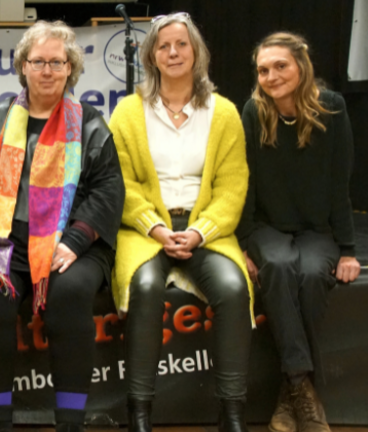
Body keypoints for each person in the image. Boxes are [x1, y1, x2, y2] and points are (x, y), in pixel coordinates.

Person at [0, 20, 125, 432]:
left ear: (70, 67)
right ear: (23, 66)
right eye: (39, 62)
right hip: (7, 241)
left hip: (74, 244)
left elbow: (108, 189)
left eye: (57, 62)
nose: (48, 70)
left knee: (69, 293)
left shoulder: (88, 122)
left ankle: (69, 423)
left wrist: (74, 240)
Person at [108, 13, 253, 432]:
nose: (173, 52)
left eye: (181, 44)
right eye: (163, 45)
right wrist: (155, 228)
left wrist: (198, 232)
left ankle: (232, 416)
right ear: (151, 55)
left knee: (232, 287)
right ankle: (139, 415)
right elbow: (121, 182)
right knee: (147, 287)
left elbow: (232, 187)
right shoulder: (128, 112)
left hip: (205, 229)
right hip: (144, 230)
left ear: (197, 52)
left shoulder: (223, 113)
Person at [237, 32, 361, 432]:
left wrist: (347, 249)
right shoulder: (253, 111)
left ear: (302, 66)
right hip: (266, 226)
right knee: (278, 263)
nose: (271, 76)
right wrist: (240, 244)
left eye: (280, 66)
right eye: (263, 70)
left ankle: (291, 390)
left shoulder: (333, 109)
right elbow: (246, 183)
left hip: (317, 229)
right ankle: (303, 388)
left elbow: (342, 184)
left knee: (309, 274)